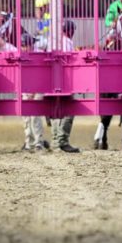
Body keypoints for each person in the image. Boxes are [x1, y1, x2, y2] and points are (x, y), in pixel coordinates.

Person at [51, 20, 82, 153]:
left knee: (54, 111)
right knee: (69, 110)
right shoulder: (67, 42)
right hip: (65, 81)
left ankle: (55, 141)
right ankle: (62, 141)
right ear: (69, 31)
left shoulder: (53, 41)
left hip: (51, 81)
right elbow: (70, 62)